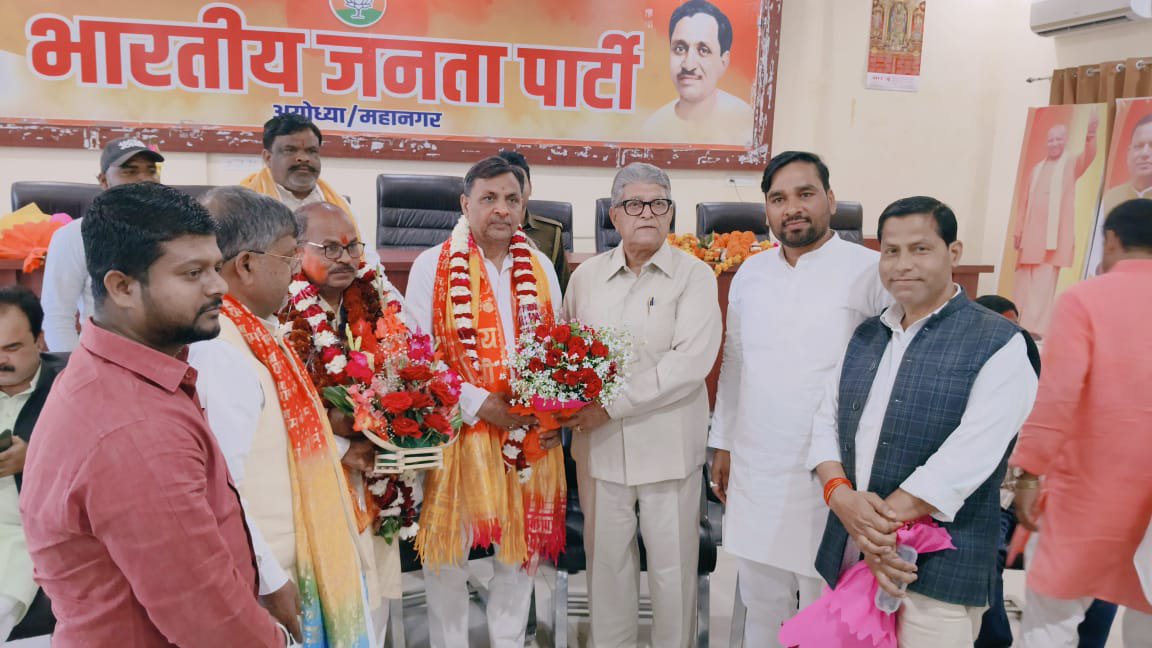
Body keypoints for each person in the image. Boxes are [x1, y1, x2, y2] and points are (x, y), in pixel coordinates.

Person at [19, 182, 290, 646]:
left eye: (215, 266)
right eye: (192, 273)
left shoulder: (111, 373)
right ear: (122, 287)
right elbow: (211, 622)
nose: (219, 286)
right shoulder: (135, 430)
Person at [808, 196, 1038, 646]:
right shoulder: (867, 334)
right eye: (891, 251)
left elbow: (970, 456)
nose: (902, 265)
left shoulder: (1001, 342)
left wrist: (874, 528)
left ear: (954, 253)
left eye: (920, 249)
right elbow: (826, 423)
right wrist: (840, 497)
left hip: (936, 571)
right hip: (849, 553)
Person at [190, 187, 397, 645]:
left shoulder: (257, 332)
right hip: (269, 574)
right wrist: (271, 583)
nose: (294, 270)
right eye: (287, 257)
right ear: (246, 265)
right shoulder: (222, 351)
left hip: (288, 560)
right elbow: (224, 490)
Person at [708, 151, 890, 646]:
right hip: (758, 464)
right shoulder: (751, 273)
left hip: (831, 470)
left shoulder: (870, 271)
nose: (792, 208)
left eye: (805, 194)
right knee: (761, 601)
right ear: (766, 210)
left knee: (824, 604)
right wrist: (722, 440)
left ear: (830, 199)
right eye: (778, 199)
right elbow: (736, 361)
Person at [405, 156, 564, 647]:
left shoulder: (540, 267)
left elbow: (557, 349)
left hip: (528, 432)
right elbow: (418, 355)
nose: (501, 209)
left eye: (512, 199)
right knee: (447, 558)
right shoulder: (432, 265)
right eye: (489, 198)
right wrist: (479, 403)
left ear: (524, 206)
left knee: (518, 556)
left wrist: (551, 412)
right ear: (465, 204)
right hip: (459, 428)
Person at [561, 162, 721, 646]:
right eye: (633, 204)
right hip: (600, 449)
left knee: (673, 574)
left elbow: (688, 365)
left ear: (671, 213)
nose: (646, 213)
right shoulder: (586, 277)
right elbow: (563, 350)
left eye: (658, 204)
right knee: (607, 569)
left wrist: (609, 406)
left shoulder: (695, 276)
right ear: (614, 215)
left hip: (668, 450)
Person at [1013, 198, 1152, 648]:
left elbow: (1058, 397)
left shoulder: (1085, 299)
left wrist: (1029, 473)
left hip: (1090, 492)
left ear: (1110, 241)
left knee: (1051, 619)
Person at [277, 201, 406, 611]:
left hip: (376, 475)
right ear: (297, 251)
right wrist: (343, 449)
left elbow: (408, 370)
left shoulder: (375, 298)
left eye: (352, 247)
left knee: (374, 600)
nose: (346, 258)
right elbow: (279, 409)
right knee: (333, 604)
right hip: (312, 476)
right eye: (330, 248)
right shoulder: (280, 310)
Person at [41, 136, 163, 351]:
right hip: (104, 357)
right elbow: (57, 316)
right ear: (104, 181)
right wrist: (72, 367)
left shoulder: (173, 232)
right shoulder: (74, 236)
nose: (144, 179)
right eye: (130, 171)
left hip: (169, 356)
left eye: (151, 170)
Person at [0, 287, 67, 642]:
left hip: (34, 536)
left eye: (11, 348)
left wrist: (35, 458)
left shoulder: (72, 387)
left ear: (39, 340)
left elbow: (110, 463)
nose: (0, 360)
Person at [1012, 115, 1099, 336]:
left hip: (1052, 239)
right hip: (1030, 236)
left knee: (1043, 284)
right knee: (1023, 282)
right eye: (1051, 140)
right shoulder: (1036, 169)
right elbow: (1024, 203)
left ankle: (1034, 328)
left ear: (1065, 141)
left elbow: (1088, 157)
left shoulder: (1070, 164)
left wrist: (1090, 136)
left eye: (1059, 139)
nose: (1054, 144)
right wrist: (1018, 230)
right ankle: (1015, 322)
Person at [643, 0, 753, 146]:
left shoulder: (746, 122)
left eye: (703, 50)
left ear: (723, 61)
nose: (689, 65)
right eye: (680, 49)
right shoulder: (653, 129)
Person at [243, 114, 354, 214]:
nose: (304, 158)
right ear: (268, 158)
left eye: (311, 151)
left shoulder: (339, 205)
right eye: (290, 150)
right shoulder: (244, 205)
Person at [497, 150, 572, 293]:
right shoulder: (486, 229)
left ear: (530, 187)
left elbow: (562, 288)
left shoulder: (550, 232)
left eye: (519, 182)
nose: (514, 189)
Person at [1087, 112, 1152, 276]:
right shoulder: (1109, 198)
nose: (1145, 153)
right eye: (1139, 146)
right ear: (1129, 153)